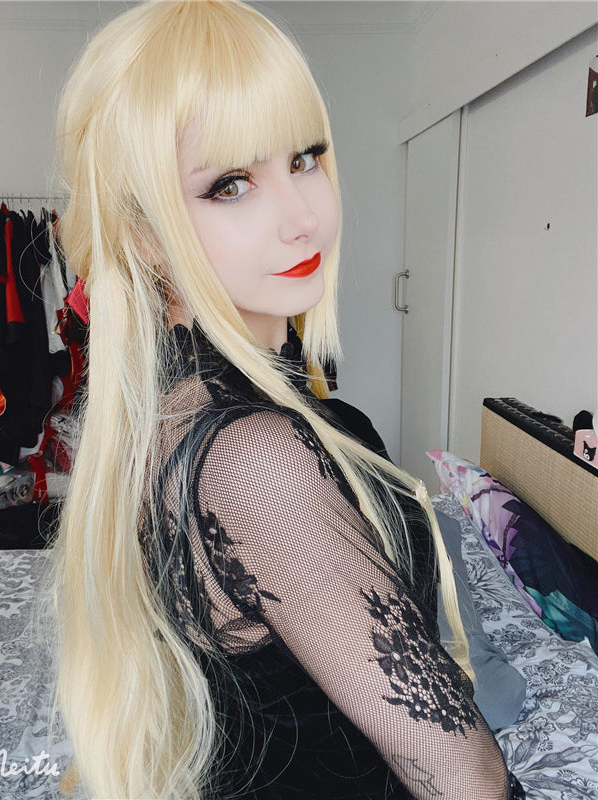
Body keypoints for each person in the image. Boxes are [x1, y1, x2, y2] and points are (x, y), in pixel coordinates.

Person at [45, 1, 526, 798]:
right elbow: (464, 776)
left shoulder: (168, 407)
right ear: (143, 235)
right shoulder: (251, 457)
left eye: (304, 158)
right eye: (231, 185)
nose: (304, 217)